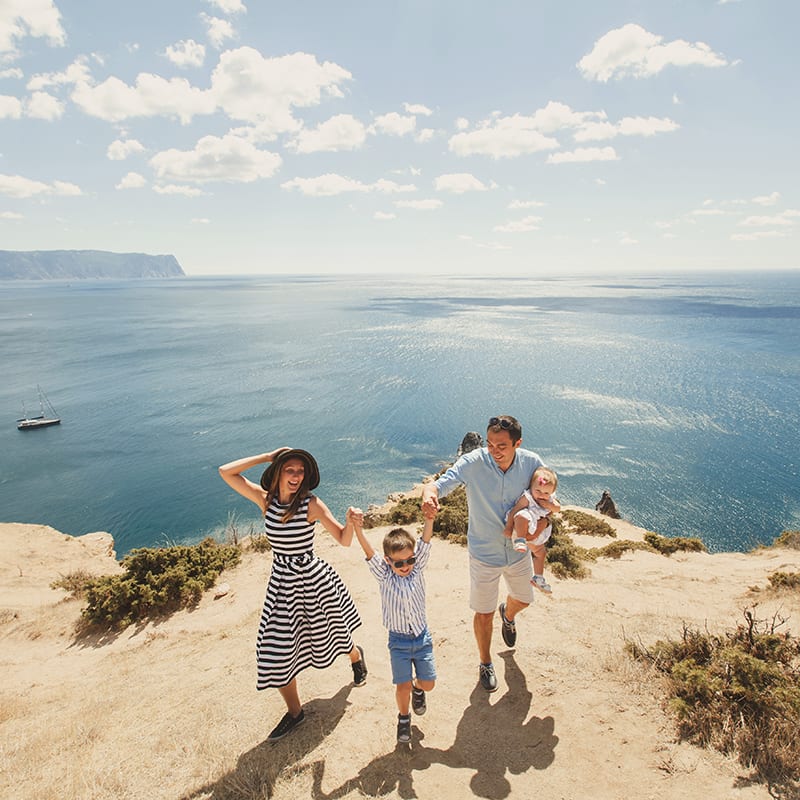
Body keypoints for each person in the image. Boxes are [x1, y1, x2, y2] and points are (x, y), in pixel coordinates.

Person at [218, 447, 368, 742]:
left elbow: (342, 539)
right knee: (276, 650)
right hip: (282, 584)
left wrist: (352, 523)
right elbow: (226, 472)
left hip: (314, 579)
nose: (296, 476)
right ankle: (296, 712)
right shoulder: (266, 501)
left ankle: (355, 656)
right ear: (278, 472)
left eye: (300, 471)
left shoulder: (311, 504)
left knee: (335, 631)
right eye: (290, 470)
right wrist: (267, 456)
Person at [421, 415, 545, 693]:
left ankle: (509, 614)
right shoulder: (474, 461)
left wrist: (542, 527)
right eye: (490, 443)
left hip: (518, 552)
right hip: (483, 553)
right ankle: (485, 662)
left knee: (524, 599)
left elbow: (546, 500)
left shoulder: (532, 464)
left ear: (518, 443)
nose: (494, 450)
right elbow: (443, 483)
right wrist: (430, 493)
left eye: (502, 445)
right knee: (483, 612)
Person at [352, 508, 437, 744]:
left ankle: (418, 688)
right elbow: (370, 552)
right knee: (401, 686)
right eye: (399, 563)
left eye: (410, 560)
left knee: (428, 684)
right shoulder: (385, 576)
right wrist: (358, 528)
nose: (406, 566)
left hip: (421, 638)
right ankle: (403, 717)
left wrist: (429, 519)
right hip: (398, 641)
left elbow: (425, 542)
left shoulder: (417, 571)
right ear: (388, 561)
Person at [503, 466, 561, 594]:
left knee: (541, 553)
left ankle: (538, 578)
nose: (541, 495)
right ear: (531, 487)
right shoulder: (528, 498)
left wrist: (550, 505)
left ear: (551, 492)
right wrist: (508, 528)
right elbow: (514, 511)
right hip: (524, 525)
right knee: (522, 515)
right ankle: (520, 540)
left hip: (539, 531)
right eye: (538, 490)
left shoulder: (549, 499)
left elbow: (558, 508)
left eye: (546, 493)